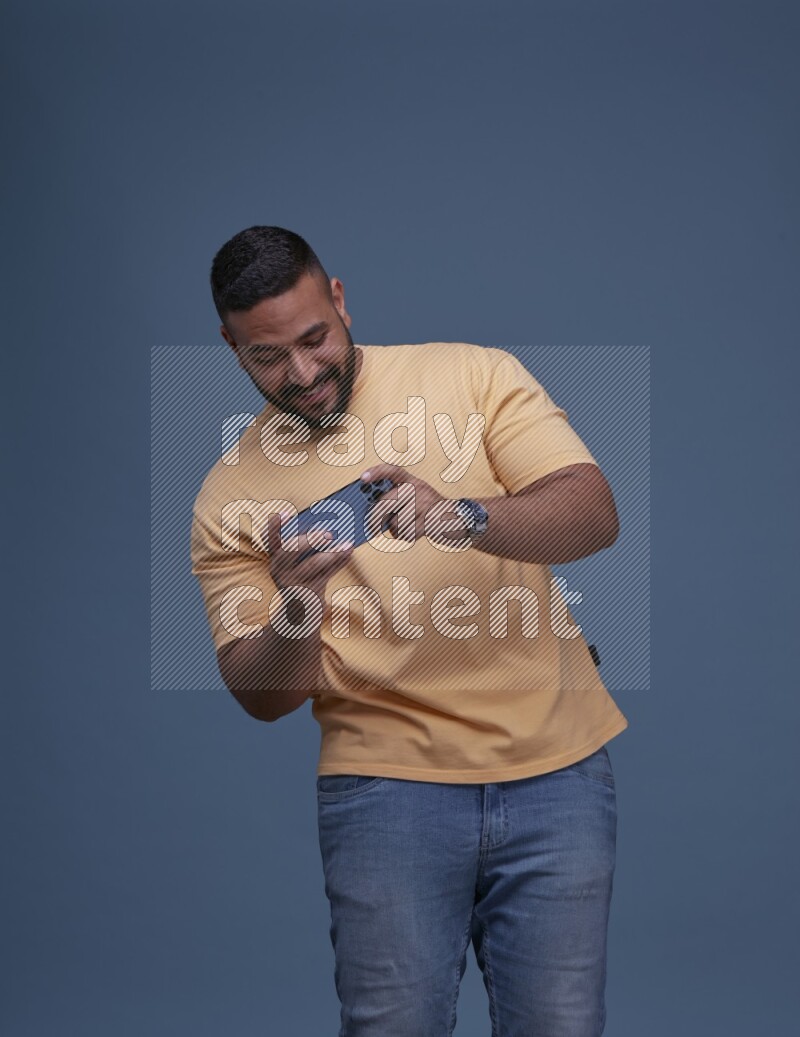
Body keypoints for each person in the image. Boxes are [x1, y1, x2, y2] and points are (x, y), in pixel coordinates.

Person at [191, 225, 629, 1037]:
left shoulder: (473, 374)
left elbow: (593, 515)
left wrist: (460, 516)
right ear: (230, 345)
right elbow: (263, 696)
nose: (303, 373)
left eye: (315, 338)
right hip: (383, 792)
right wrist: (298, 604)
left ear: (341, 300)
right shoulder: (228, 494)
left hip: (557, 772)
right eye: (268, 356)